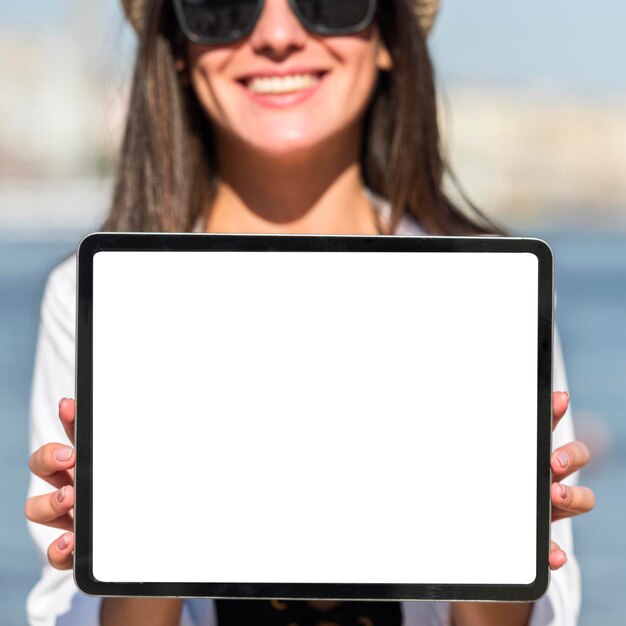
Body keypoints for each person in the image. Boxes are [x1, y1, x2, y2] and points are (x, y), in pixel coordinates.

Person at [24, 1, 595, 625]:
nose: (276, 36)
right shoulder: (96, 293)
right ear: (180, 48)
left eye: (329, 1)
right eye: (223, 7)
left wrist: (493, 537)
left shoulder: (491, 292)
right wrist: (136, 531)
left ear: (388, 36)